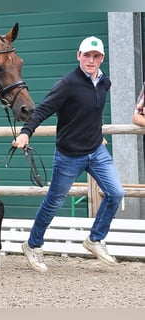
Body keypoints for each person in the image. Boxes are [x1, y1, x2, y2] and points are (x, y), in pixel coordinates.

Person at [12, 36, 125, 272]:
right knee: (54, 202)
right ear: (78, 56)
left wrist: (97, 130)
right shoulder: (67, 84)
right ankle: (32, 245)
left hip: (96, 150)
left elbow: (94, 110)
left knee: (116, 193)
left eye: (96, 56)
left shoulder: (105, 82)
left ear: (102, 58)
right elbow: (42, 110)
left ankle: (95, 240)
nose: (91, 60)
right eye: (87, 55)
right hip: (69, 155)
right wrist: (25, 133)